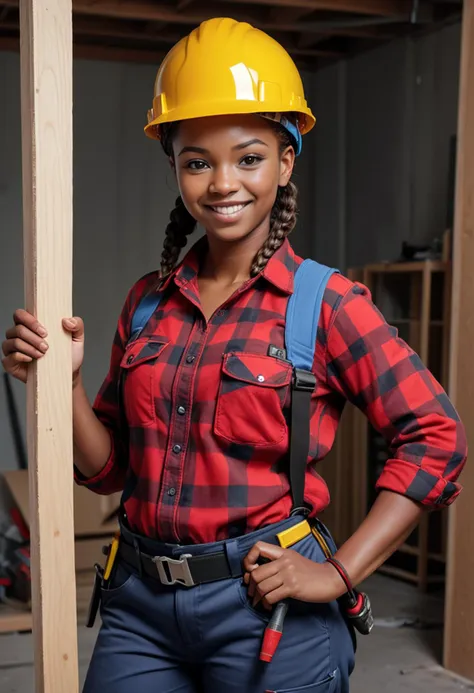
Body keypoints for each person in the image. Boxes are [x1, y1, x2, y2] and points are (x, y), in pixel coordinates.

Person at [2, 17, 466, 693]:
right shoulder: (146, 304)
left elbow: (436, 437)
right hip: (141, 604)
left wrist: (338, 573)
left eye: (248, 157)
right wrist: (65, 385)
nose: (223, 182)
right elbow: (110, 472)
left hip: (268, 605)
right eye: (198, 160)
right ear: (175, 166)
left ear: (285, 160)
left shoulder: (327, 305)